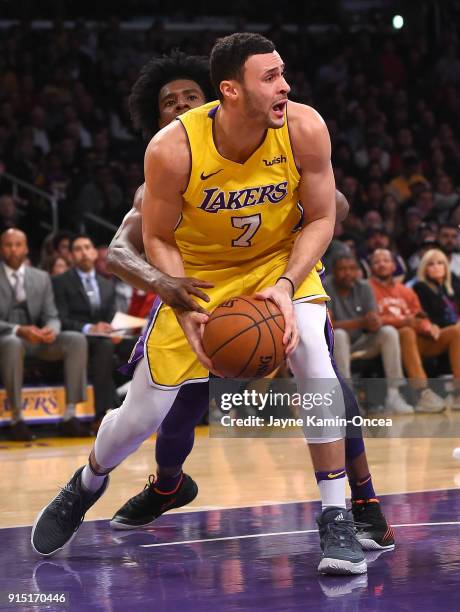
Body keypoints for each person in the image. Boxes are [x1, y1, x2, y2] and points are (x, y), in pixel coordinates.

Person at [32, 36, 393, 575]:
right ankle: (85, 483)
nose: (285, 86)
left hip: (276, 267)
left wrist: (289, 284)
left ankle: (337, 515)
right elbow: (152, 238)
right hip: (199, 278)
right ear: (230, 90)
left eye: (283, 74)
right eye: (270, 77)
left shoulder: (303, 127)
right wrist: (179, 298)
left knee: (318, 365)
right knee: (141, 414)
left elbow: (324, 215)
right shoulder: (172, 150)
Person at [0, 229, 88, 440]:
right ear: (1, 248)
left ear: (26, 248)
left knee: (76, 340)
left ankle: (70, 415)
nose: (13, 249)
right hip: (6, 339)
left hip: (36, 339)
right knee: (12, 342)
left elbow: (52, 315)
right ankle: (16, 419)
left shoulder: (41, 278)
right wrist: (18, 330)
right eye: (8, 244)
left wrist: (51, 330)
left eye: (18, 244)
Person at [369, 248, 460, 412]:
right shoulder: (367, 288)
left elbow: (420, 316)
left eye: (386, 261)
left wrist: (428, 326)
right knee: (406, 331)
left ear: (393, 266)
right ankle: (421, 392)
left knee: (455, 332)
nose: (381, 264)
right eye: (376, 262)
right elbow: (373, 320)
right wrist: (405, 321)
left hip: (416, 341)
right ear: (371, 267)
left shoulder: (406, 291)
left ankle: (458, 391)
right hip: (388, 341)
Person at [324, 255, 413, 414]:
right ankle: (347, 397)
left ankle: (394, 394)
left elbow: (373, 320)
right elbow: (328, 325)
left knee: (388, 332)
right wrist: (361, 322)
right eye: (342, 269)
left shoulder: (364, 287)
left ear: (358, 271)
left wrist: (375, 321)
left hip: (361, 342)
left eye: (352, 269)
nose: (348, 273)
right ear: (334, 272)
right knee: (339, 334)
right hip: (333, 346)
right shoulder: (326, 287)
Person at [51, 234, 122, 429]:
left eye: (87, 247)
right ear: (71, 256)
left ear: (94, 252)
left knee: (139, 347)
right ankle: (102, 414)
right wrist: (90, 328)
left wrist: (114, 329)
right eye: (78, 249)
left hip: (104, 338)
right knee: (105, 347)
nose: (83, 252)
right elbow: (61, 319)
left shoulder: (107, 284)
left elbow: (111, 318)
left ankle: (139, 411)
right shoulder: (60, 281)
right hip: (77, 338)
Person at [413, 249, 460, 409]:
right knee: (457, 332)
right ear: (424, 268)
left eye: (440, 263)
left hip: (450, 332)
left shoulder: (449, 288)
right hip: (431, 336)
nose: (436, 267)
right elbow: (429, 318)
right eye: (431, 264)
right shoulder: (420, 288)